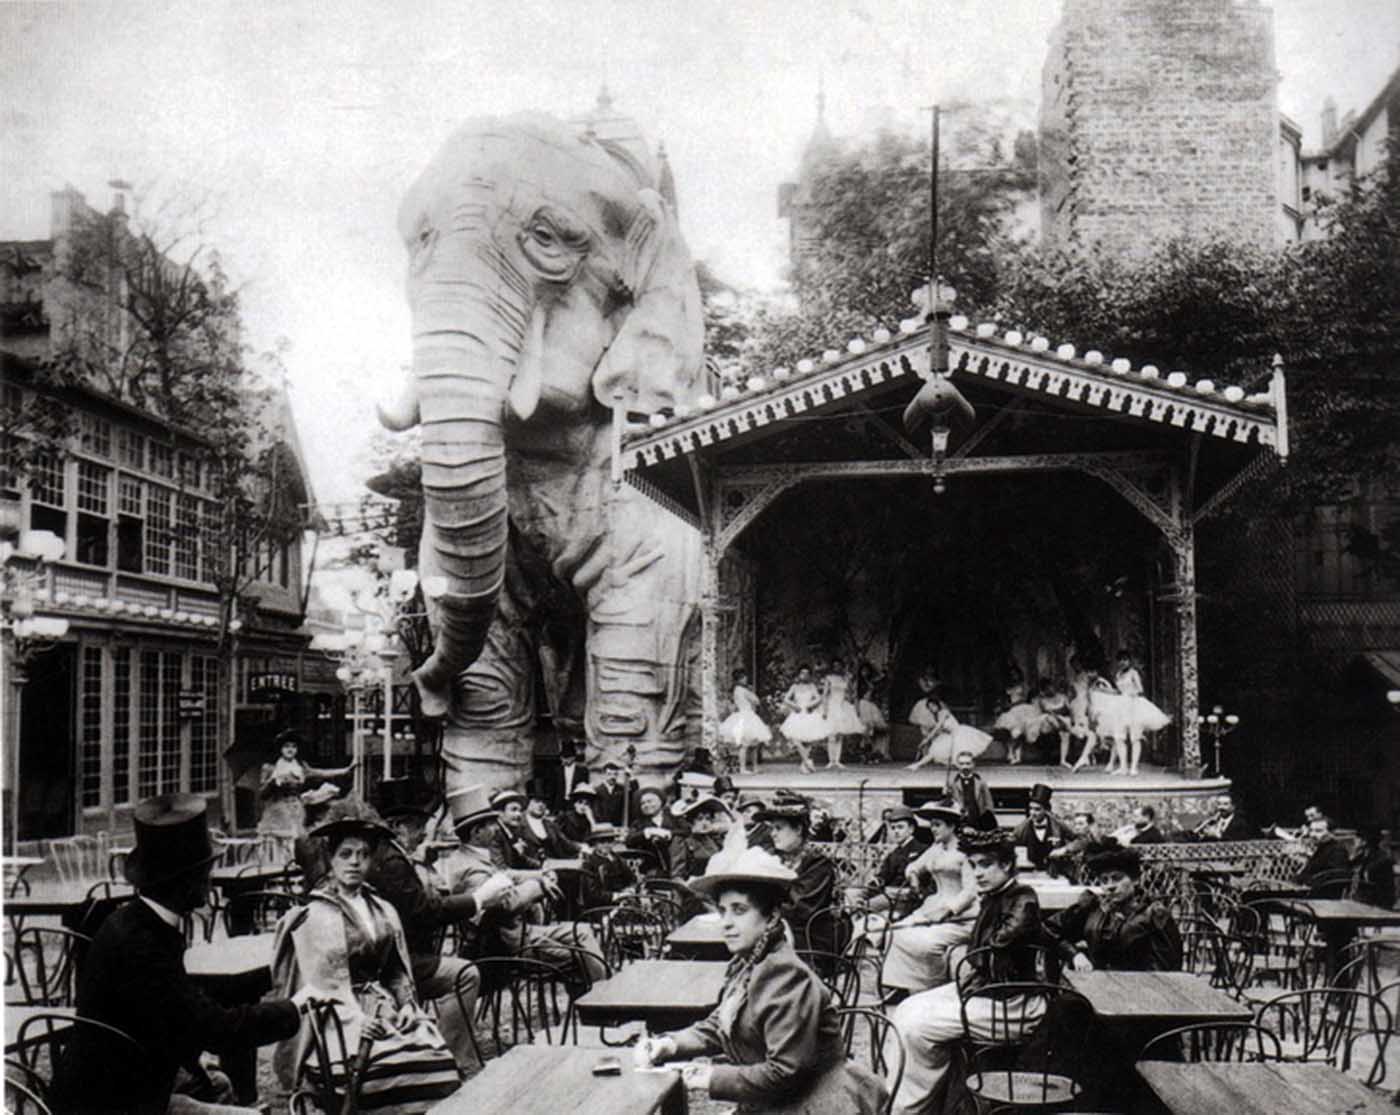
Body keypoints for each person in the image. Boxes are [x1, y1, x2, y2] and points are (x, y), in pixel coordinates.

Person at [52, 794, 306, 1115]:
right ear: (186, 881)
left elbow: (178, 1009)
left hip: (120, 1075)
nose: (211, 879)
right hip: (111, 1102)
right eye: (206, 871)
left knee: (219, 1084)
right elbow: (214, 1029)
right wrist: (294, 1008)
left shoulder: (139, 921)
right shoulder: (141, 945)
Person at [635, 844, 888, 1112]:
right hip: (774, 1102)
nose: (726, 922)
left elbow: (784, 1071)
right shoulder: (747, 963)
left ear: (772, 917)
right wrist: (669, 1044)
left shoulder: (786, 976)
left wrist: (710, 1077)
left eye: (739, 910)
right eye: (722, 911)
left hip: (812, 1105)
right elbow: (721, 1024)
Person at [272, 815, 460, 1112]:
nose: (355, 862)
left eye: (363, 855)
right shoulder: (313, 916)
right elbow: (316, 986)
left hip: (386, 1010)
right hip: (338, 1021)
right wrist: (357, 1020)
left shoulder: (383, 909)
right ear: (331, 861)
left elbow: (396, 970)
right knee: (388, 1077)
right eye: (345, 854)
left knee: (442, 1066)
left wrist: (408, 1004)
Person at [890, 830, 1045, 1115]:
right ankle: (908, 1099)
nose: (978, 873)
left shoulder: (1023, 898)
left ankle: (910, 1108)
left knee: (915, 1028)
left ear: (1008, 866)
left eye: (986, 864)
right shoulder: (995, 896)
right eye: (973, 866)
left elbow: (999, 943)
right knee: (904, 1009)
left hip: (1009, 1004)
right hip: (983, 989)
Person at [367, 780, 515, 1075]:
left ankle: (451, 1056)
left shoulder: (388, 854)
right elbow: (422, 912)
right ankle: (455, 1062)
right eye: (419, 825)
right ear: (398, 827)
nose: (424, 833)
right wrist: (478, 899)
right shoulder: (394, 861)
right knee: (465, 974)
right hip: (398, 961)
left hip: (395, 954)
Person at [437, 785, 607, 981]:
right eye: (491, 824)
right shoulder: (470, 869)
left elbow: (505, 874)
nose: (495, 827)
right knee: (583, 956)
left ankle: (602, 997)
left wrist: (539, 875)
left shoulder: (473, 855)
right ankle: (598, 1004)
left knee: (583, 931)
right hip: (509, 946)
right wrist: (539, 886)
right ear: (476, 832)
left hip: (520, 931)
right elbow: (503, 903)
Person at [882, 801, 979, 998]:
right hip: (933, 905)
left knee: (924, 943)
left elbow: (970, 891)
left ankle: (935, 986)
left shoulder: (965, 852)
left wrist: (948, 910)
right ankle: (901, 984)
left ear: (951, 826)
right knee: (895, 932)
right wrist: (914, 875)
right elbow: (915, 865)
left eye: (937, 825)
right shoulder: (936, 848)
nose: (932, 829)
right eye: (932, 824)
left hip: (961, 915)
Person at [1044, 845, 1182, 972]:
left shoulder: (1154, 914)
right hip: (1096, 986)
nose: (1110, 886)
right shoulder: (1093, 909)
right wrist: (1074, 955)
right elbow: (1049, 928)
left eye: (1117, 878)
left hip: (1140, 991)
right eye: (1104, 880)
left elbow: (1169, 969)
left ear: (1135, 880)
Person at [756, 797, 838, 951]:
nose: (773, 834)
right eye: (771, 828)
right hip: (777, 930)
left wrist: (758, 906)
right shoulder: (775, 858)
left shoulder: (817, 864)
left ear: (798, 829)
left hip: (809, 941)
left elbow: (800, 909)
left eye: (778, 828)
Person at [257, 731, 354, 841]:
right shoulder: (270, 768)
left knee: (297, 843)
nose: (290, 749)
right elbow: (262, 794)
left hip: (296, 810)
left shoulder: (300, 767)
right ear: (280, 749)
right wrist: (273, 781)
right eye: (286, 746)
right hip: (277, 812)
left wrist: (344, 770)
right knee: (278, 845)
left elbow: (321, 773)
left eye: (294, 746)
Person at [864, 806, 924, 916]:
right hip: (885, 893)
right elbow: (882, 877)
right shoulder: (893, 853)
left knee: (864, 906)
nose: (896, 831)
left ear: (911, 829)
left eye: (900, 827)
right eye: (893, 828)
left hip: (902, 898)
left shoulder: (921, 850)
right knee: (852, 895)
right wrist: (872, 885)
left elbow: (919, 883)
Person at [908, 700, 992, 772]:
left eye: (933, 706)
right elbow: (940, 729)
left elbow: (938, 727)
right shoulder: (937, 716)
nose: (932, 709)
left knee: (961, 755)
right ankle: (917, 765)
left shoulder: (944, 712)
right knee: (934, 751)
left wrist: (927, 739)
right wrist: (928, 739)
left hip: (959, 733)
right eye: (930, 708)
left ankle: (967, 767)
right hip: (949, 736)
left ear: (937, 705)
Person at [720, 668, 773, 774]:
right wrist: (751, 691)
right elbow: (756, 701)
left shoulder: (736, 690)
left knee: (753, 744)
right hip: (746, 715)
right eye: (743, 678)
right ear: (739, 679)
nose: (745, 679)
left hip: (744, 714)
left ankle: (754, 767)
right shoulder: (743, 690)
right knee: (745, 745)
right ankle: (744, 768)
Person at [780, 664, 829, 774]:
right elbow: (786, 699)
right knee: (795, 739)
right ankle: (807, 761)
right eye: (802, 673)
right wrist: (794, 706)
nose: (804, 675)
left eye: (806, 673)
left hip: (808, 713)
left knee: (808, 741)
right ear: (798, 675)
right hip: (797, 713)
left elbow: (818, 698)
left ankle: (804, 765)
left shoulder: (811, 686)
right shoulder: (794, 687)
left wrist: (811, 705)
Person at [1047, 811, 1117, 884]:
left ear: (1090, 825)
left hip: (1091, 880)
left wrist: (1059, 851)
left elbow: (1067, 849)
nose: (1077, 827)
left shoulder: (1088, 840)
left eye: (1081, 824)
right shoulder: (1088, 838)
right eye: (1076, 824)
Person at [820, 656, 864, 769]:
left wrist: (849, 681)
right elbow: (825, 694)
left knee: (840, 734)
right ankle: (831, 760)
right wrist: (825, 709)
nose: (837, 667)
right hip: (832, 705)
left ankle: (838, 760)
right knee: (831, 733)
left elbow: (850, 693)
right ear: (832, 667)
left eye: (839, 665)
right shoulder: (829, 678)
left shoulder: (845, 678)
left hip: (842, 705)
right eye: (835, 665)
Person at [1011, 783, 1067, 870]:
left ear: (1046, 810)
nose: (1032, 813)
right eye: (1031, 808)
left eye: (1037, 809)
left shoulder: (1058, 824)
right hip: (1030, 873)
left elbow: (1080, 839)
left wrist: (1065, 850)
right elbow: (1010, 845)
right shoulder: (1022, 827)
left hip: (1056, 872)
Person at [1294, 813, 1352, 895]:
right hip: (1308, 892)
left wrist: (1306, 883)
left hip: (1320, 897)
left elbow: (1335, 877)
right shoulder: (1322, 847)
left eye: (1318, 831)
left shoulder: (1338, 850)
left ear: (1331, 833)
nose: (1312, 834)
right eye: (1311, 830)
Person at [519, 791, 585, 861]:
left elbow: (566, 843)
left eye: (544, 802)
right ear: (528, 803)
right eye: (537, 801)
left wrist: (582, 848)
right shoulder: (519, 823)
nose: (541, 805)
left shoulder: (550, 824)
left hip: (554, 863)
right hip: (529, 867)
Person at [627, 784, 677, 874]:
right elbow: (629, 840)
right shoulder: (638, 823)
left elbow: (686, 831)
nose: (646, 805)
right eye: (643, 803)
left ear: (660, 801)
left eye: (649, 801)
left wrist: (669, 833)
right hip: (651, 868)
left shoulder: (674, 818)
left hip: (676, 865)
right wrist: (647, 832)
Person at [943, 751, 998, 831]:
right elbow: (947, 805)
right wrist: (945, 794)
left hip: (979, 821)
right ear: (957, 765)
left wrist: (987, 818)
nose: (965, 767)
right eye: (962, 764)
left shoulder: (981, 782)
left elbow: (989, 803)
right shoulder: (952, 784)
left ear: (973, 764)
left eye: (968, 763)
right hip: (961, 822)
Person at [542, 737, 590, 814]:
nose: (564, 760)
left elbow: (584, 789)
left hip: (575, 804)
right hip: (559, 804)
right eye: (563, 757)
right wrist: (549, 807)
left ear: (573, 757)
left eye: (567, 757)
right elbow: (552, 790)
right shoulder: (556, 771)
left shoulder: (582, 771)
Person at [1351, 826, 1396, 908]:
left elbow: (1383, 891)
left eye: (1356, 838)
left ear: (1364, 841)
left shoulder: (1382, 860)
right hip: (1361, 901)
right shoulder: (1363, 855)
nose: (1354, 840)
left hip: (1376, 905)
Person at [855, 660, 890, 760]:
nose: (865, 673)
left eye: (866, 671)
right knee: (865, 730)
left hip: (871, 705)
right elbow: (857, 697)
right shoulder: (859, 683)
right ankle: (863, 753)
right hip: (863, 704)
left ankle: (868, 753)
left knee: (871, 731)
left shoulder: (872, 682)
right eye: (863, 671)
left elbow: (881, 677)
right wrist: (857, 709)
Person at [593, 758, 634, 826]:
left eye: (615, 774)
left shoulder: (622, 789)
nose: (612, 777)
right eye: (609, 774)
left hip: (619, 827)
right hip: (603, 827)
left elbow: (631, 800)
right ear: (603, 774)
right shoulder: (596, 790)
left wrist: (630, 775)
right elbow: (596, 812)